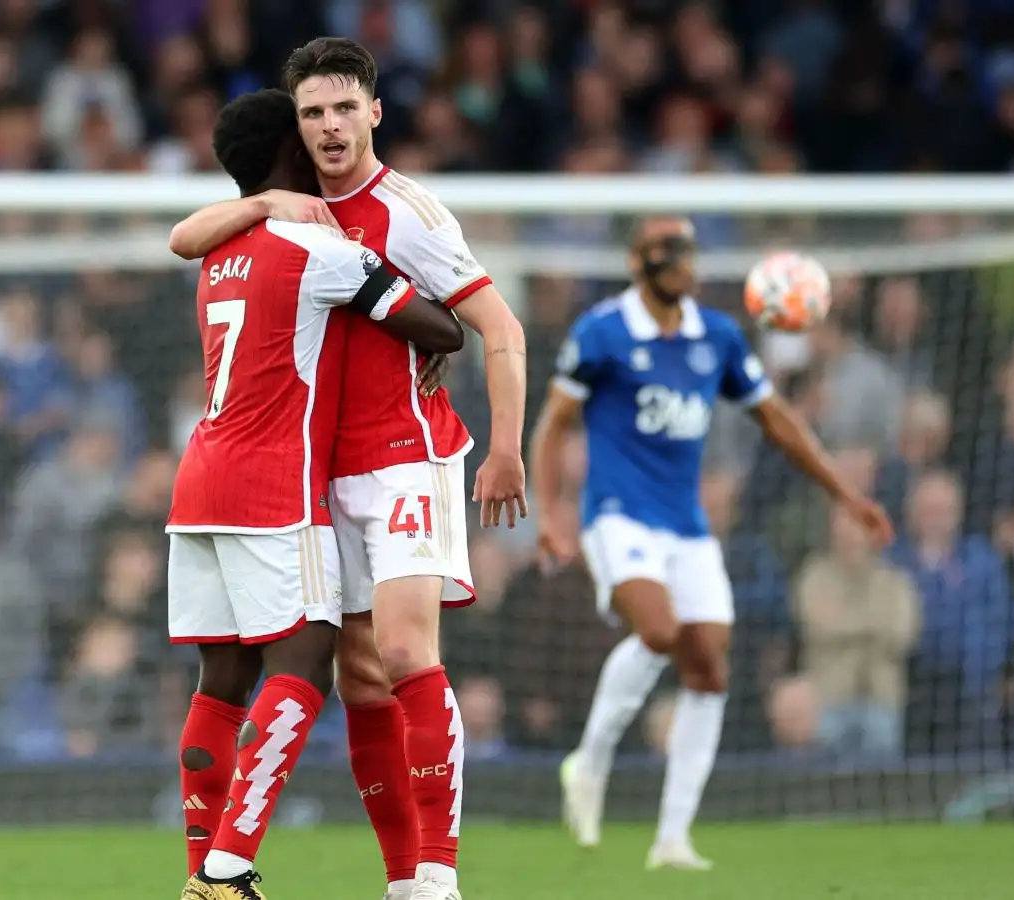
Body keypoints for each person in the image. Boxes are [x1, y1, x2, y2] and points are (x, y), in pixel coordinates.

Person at [169, 38, 529, 900]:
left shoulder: (408, 212)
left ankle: (437, 877)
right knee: (358, 674)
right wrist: (266, 205)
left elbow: (497, 327)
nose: (330, 126)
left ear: (375, 111)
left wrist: (508, 445)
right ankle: (401, 881)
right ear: (297, 128)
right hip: (319, 475)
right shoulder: (291, 217)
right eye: (313, 112)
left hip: (408, 455)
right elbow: (186, 233)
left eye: (343, 108)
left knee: (404, 651)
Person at [528, 216, 894, 869]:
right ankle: (590, 761)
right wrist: (550, 513)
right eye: (669, 253)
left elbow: (777, 421)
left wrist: (844, 493)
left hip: (687, 525)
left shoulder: (716, 337)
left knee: (710, 669)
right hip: (618, 514)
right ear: (640, 264)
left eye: (688, 252)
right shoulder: (603, 332)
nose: (684, 264)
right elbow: (555, 423)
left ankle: (672, 838)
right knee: (660, 631)